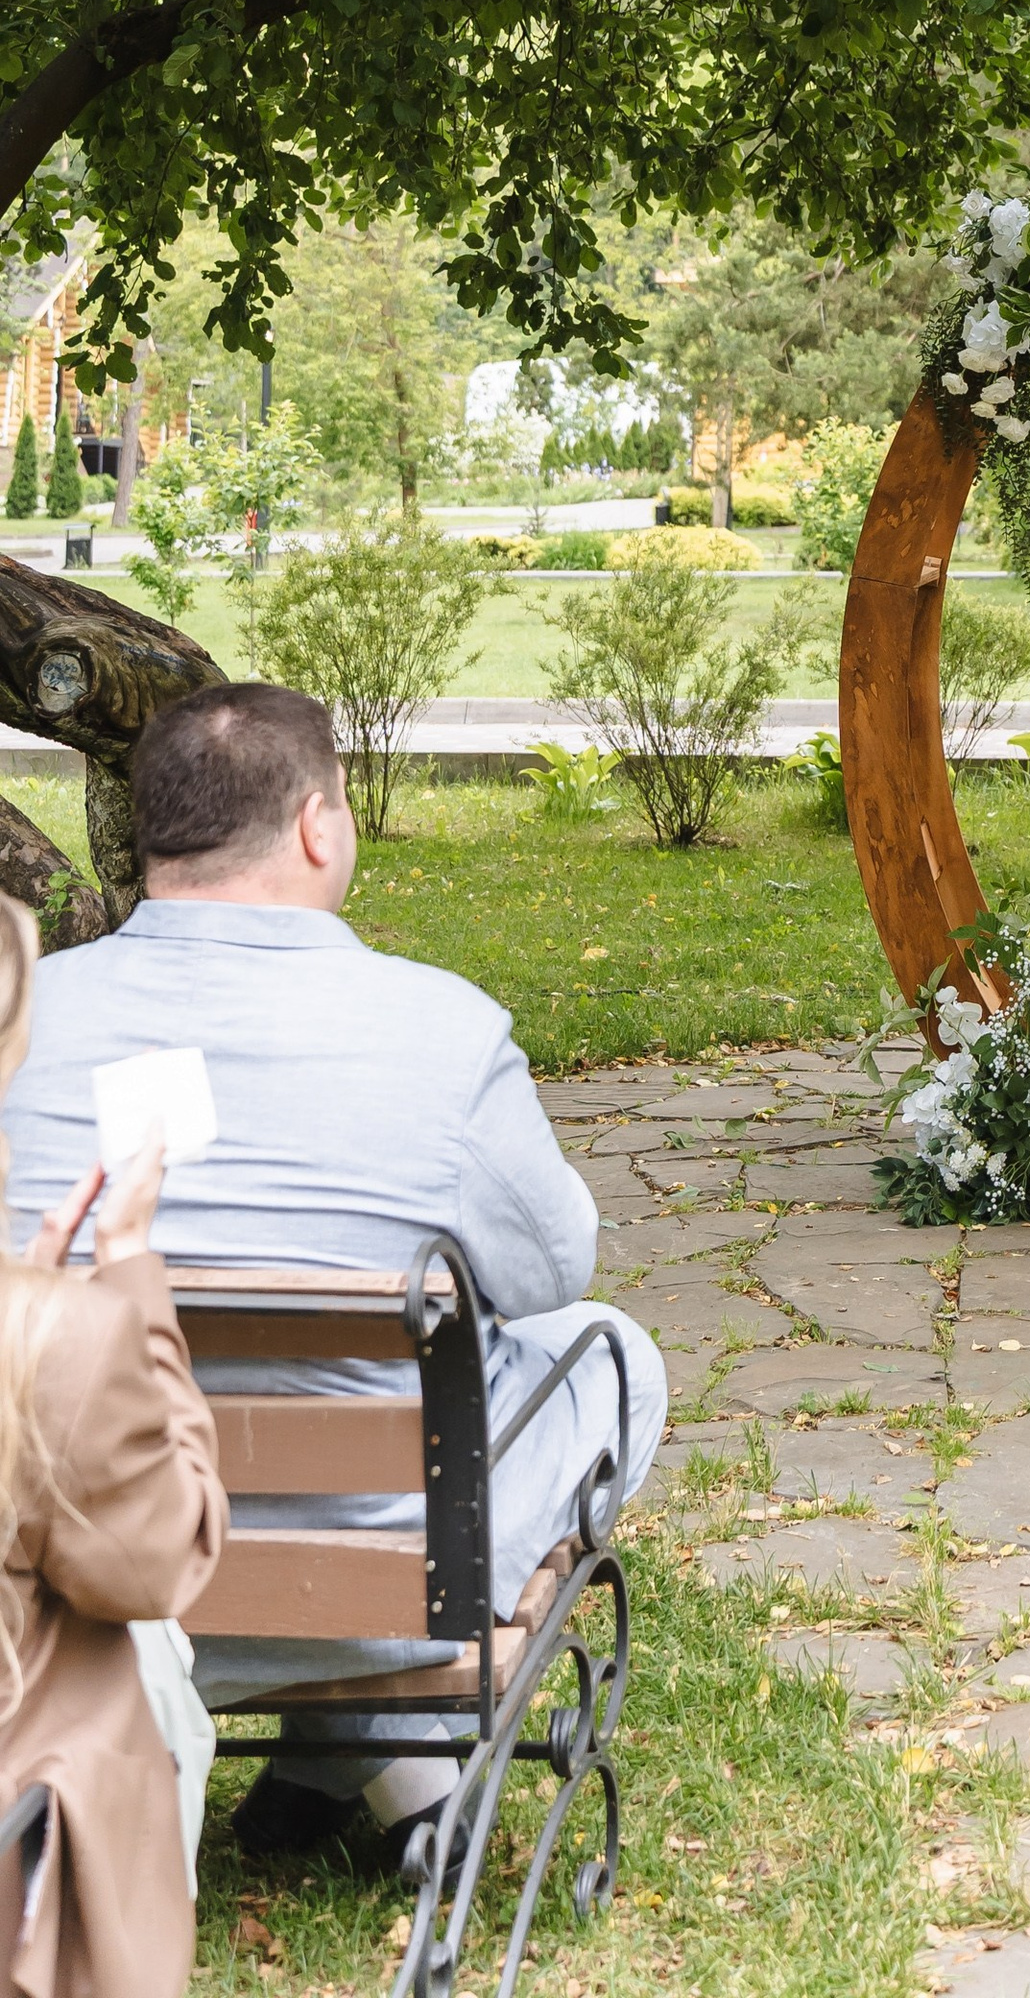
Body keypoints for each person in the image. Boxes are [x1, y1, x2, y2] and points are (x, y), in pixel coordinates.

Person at [3, 682, 668, 1868]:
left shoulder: (22, 1019)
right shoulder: (443, 1033)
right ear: (320, 826)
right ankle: (395, 1764)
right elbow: (552, 1268)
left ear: (153, 834)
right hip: (375, 1581)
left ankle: (360, 1771)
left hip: (78, 1578)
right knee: (614, 1354)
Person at [0, 895, 226, 1998]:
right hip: (24, 1851)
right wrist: (125, 1277)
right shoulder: (45, 1344)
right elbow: (162, 1556)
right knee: (153, 1657)